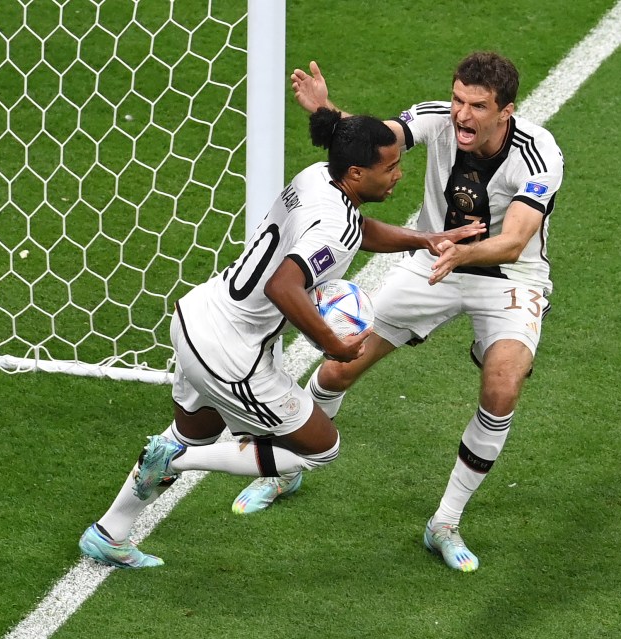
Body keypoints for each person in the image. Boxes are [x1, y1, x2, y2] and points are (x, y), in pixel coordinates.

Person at [78, 107, 484, 568]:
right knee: (317, 449)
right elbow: (283, 286)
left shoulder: (317, 177)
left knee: (193, 432)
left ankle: (108, 532)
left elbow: (358, 228)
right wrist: (332, 343)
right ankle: (173, 463)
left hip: (196, 316)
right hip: (230, 353)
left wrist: (423, 239)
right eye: (389, 167)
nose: (398, 174)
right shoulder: (338, 228)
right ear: (356, 172)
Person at [233, 52, 564, 573]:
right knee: (338, 365)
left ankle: (445, 524)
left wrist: (462, 251)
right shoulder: (436, 118)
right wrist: (326, 113)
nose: (462, 115)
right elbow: (370, 143)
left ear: (507, 110)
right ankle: (286, 468)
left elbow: (516, 239)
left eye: (478, 106)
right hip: (430, 260)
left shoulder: (538, 151)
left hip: (507, 278)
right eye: (458, 99)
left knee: (502, 384)